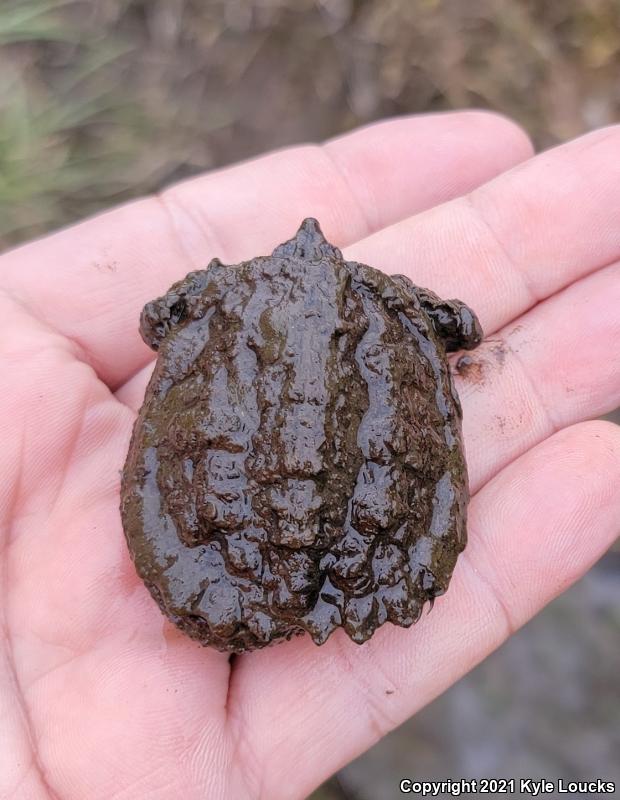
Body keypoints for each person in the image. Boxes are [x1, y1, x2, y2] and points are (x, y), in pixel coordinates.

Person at [0, 110, 618, 800]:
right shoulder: (386, 296)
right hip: (371, 537)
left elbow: (153, 322)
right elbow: (465, 327)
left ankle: (234, 594)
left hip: (230, 519)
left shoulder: (228, 290)